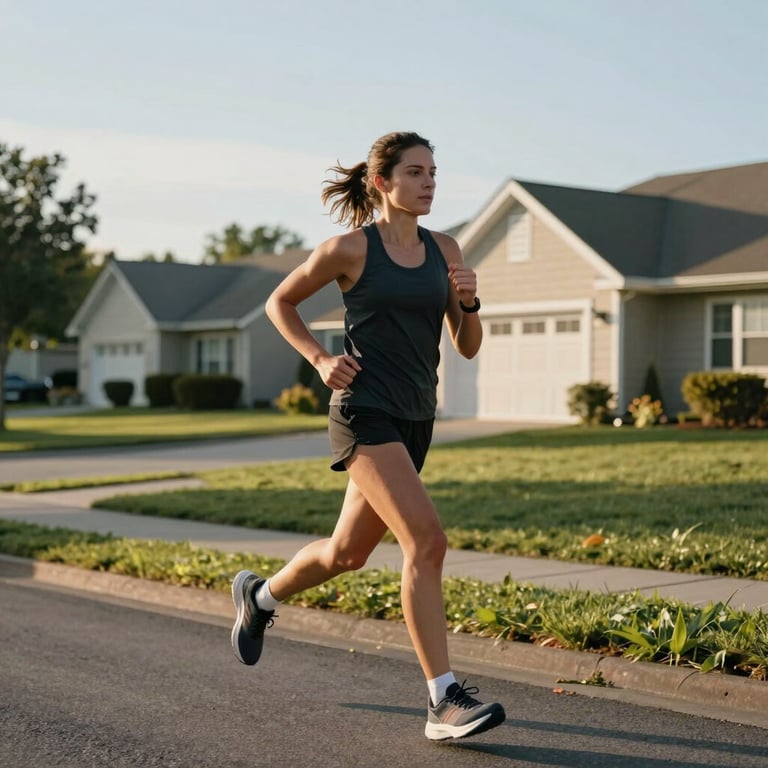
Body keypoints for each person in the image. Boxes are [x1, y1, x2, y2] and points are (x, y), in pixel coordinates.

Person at [230, 131, 505, 741]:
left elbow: (466, 345)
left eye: (433, 171)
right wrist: (320, 360)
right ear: (383, 182)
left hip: (414, 417)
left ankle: (261, 597)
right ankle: (443, 701)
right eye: (414, 172)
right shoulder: (350, 249)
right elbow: (281, 302)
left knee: (346, 554)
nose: (429, 181)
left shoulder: (446, 247)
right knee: (427, 541)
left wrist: (471, 302)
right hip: (362, 413)